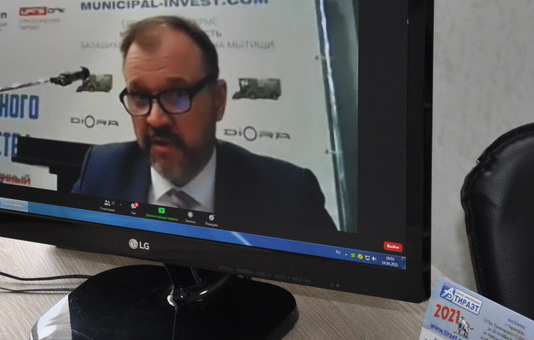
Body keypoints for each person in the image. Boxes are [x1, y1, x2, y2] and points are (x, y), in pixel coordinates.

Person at [72, 15, 337, 238]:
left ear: (218, 101)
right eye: (140, 97)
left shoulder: (288, 195)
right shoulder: (101, 172)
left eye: (177, 95)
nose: (155, 119)